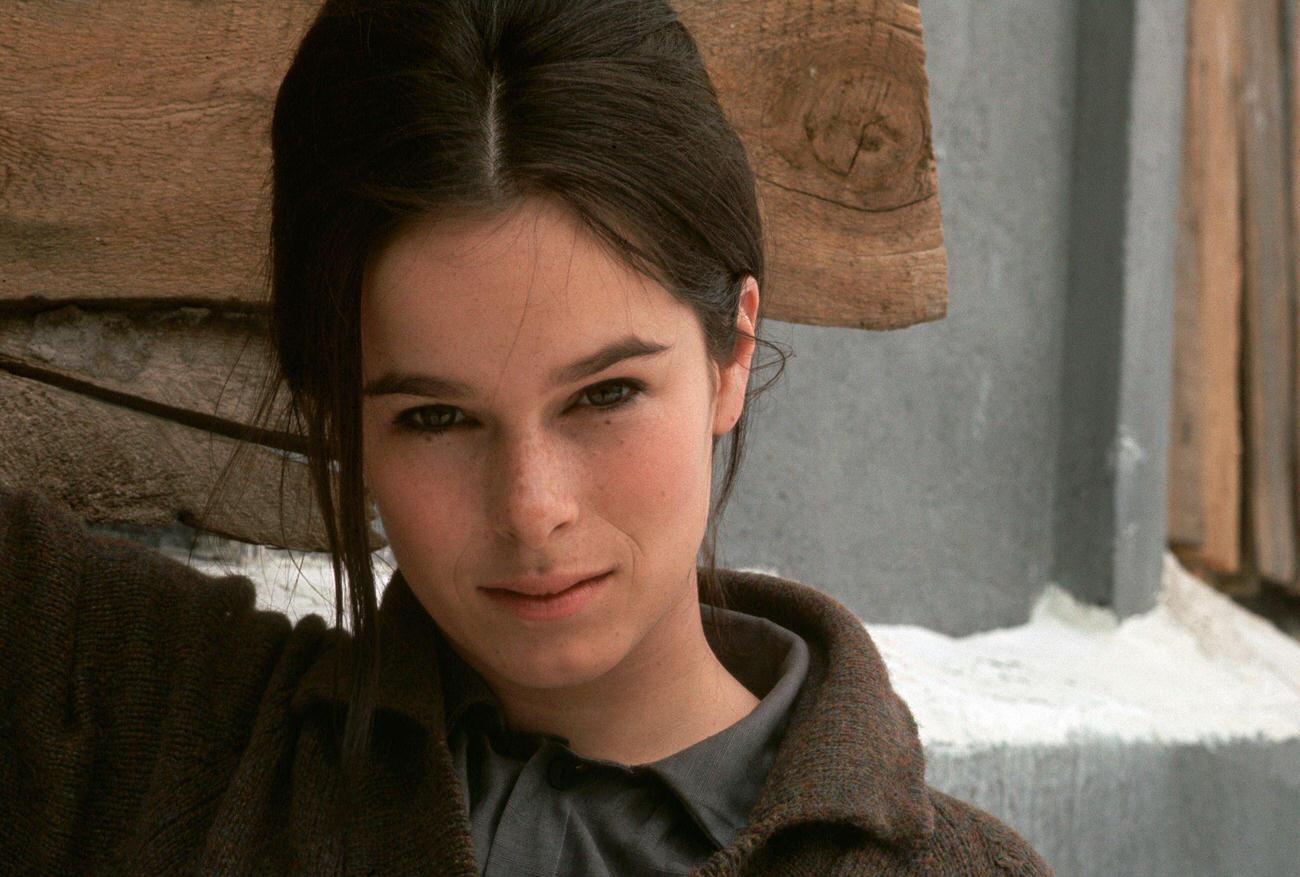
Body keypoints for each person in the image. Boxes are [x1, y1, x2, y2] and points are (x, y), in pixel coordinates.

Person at [0, 0, 1053, 873]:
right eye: (435, 417)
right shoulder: (151, 734)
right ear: (340, 415)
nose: (531, 505)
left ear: (732, 354)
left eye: (604, 396)